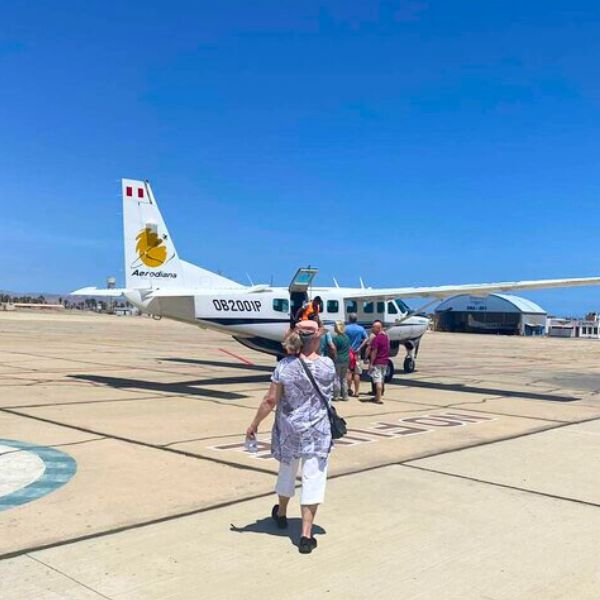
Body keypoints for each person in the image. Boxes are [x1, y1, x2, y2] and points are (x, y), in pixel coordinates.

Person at [246, 319, 335, 554]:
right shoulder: (328, 365)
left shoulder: (284, 366)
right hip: (318, 433)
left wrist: (254, 423)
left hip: (289, 430)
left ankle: (282, 513)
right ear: (316, 337)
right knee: (313, 478)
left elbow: (270, 400)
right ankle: (306, 535)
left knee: (287, 471)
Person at [344, 313, 368, 397]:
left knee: (349, 372)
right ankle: (357, 391)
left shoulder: (346, 328)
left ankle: (348, 389)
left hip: (348, 352)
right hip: (356, 353)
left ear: (349, 319)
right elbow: (366, 338)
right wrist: (360, 347)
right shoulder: (361, 329)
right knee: (357, 373)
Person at [369, 320, 390, 404]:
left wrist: (371, 363)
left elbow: (374, 351)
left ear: (378, 328)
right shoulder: (386, 338)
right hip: (384, 361)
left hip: (377, 361)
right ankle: (377, 396)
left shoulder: (376, 338)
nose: (372, 329)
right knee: (381, 379)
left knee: (377, 380)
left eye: (373, 327)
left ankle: (379, 398)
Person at [331, 321, 350, 400]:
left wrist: (333, 357)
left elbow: (333, 349)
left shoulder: (335, 338)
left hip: (338, 359)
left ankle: (336, 395)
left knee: (337, 378)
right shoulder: (347, 337)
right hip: (346, 359)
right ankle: (345, 395)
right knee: (344, 378)